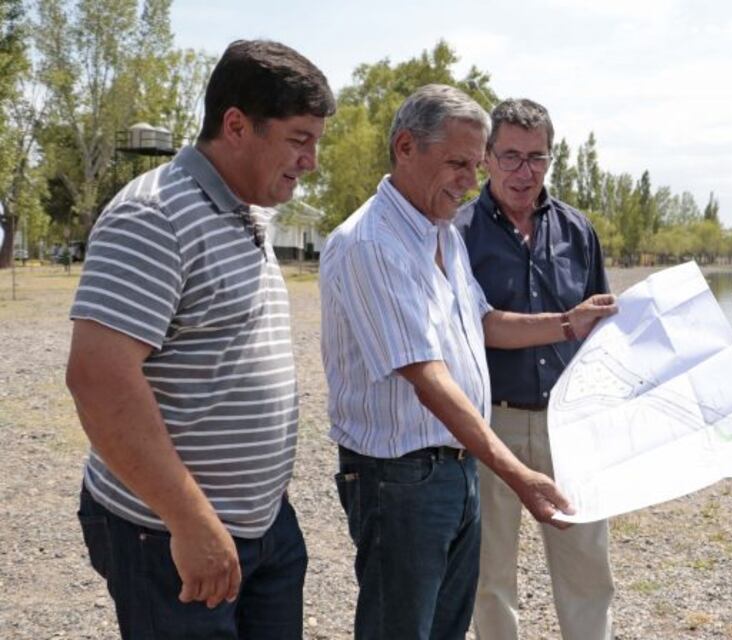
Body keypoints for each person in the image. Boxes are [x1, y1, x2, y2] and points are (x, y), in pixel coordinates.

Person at [319, 84, 616, 640]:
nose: (469, 179)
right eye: (460, 163)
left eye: (473, 165)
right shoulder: (371, 244)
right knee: (406, 625)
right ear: (405, 147)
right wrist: (515, 471)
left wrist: (567, 323)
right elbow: (426, 376)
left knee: (447, 625)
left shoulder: (440, 233)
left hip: (454, 468)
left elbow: (482, 323)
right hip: (400, 476)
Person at [65, 40, 335, 639]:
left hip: (262, 528)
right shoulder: (154, 216)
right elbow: (97, 379)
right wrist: (189, 521)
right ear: (236, 125)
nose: (311, 160)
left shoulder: (248, 209)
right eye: (298, 139)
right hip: (168, 536)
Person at [454, 98, 615, 640]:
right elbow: (468, 327)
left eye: (537, 158)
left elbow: (603, 327)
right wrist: (566, 323)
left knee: (588, 569)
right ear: (487, 158)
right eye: (511, 157)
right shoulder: (456, 232)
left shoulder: (577, 230)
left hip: (570, 424)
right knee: (490, 574)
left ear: (551, 159)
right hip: (490, 422)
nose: (524, 172)